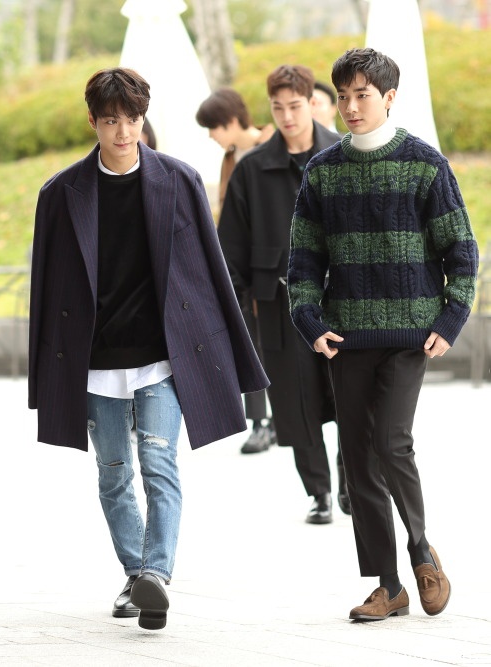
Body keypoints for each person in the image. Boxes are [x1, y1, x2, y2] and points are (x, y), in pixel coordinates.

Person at [28, 67, 269, 631]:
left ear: (143, 119)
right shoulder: (61, 194)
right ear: (92, 121)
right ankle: (135, 574)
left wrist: (228, 348)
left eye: (132, 119)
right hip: (96, 363)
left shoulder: (178, 180)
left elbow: (209, 269)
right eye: (111, 120)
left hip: (163, 358)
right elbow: (45, 288)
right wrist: (47, 371)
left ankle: (155, 575)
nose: (123, 132)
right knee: (114, 474)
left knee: (159, 464)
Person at [288, 47, 478, 620]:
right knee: (357, 458)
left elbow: (461, 250)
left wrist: (451, 318)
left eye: (362, 95)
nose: (350, 106)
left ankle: (421, 550)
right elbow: (303, 258)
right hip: (346, 337)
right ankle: (389, 584)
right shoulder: (322, 171)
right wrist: (309, 319)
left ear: (389, 97)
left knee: (392, 443)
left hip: (408, 335)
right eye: (342, 96)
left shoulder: (425, 164)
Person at [218, 64, 350, 524]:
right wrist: (240, 309)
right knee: (296, 403)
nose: (287, 116)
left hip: (343, 304)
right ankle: (320, 493)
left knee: (352, 396)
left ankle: (350, 479)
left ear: (311, 102)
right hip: (278, 308)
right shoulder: (252, 169)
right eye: (278, 108)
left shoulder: (343, 154)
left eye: (295, 106)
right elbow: (230, 247)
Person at [196, 88, 275, 454]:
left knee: (274, 344)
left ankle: (279, 419)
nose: (211, 136)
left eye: (213, 127)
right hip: (238, 267)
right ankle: (260, 422)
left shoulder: (272, 145)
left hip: (272, 264)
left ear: (229, 121)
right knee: (248, 343)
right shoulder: (230, 158)